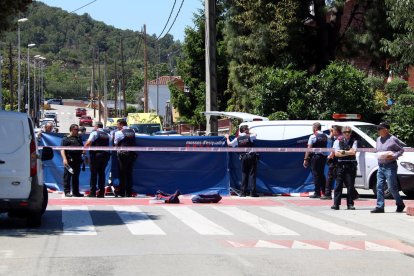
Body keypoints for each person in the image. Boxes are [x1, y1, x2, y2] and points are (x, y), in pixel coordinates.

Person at [371, 122, 405, 213]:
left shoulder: (393, 139)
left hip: (390, 166)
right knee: (379, 186)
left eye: (379, 129)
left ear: (386, 130)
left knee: (392, 187)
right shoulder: (378, 139)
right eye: (377, 129)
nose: (378, 131)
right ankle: (380, 206)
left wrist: (393, 156)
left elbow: (401, 150)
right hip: (381, 166)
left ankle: (400, 203)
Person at [225, 126, 259, 197]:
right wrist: (249, 132)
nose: (248, 130)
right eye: (247, 129)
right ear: (245, 130)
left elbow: (229, 144)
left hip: (243, 157)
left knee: (244, 174)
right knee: (252, 174)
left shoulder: (237, 138)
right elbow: (256, 134)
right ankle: (253, 193)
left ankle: (243, 193)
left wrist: (227, 138)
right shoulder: (249, 136)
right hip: (251, 156)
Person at [331, 126, 358, 210]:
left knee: (350, 186)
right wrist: (348, 152)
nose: (347, 133)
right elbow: (337, 154)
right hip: (340, 166)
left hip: (350, 167)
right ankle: (336, 204)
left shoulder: (354, 141)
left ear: (351, 132)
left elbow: (353, 152)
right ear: (342, 133)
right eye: (345, 132)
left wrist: (343, 152)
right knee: (338, 186)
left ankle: (350, 204)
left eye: (349, 132)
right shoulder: (337, 141)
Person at [84, 121, 111, 198]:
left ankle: (92, 193)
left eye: (94, 126)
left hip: (96, 155)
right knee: (101, 174)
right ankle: (101, 193)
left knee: (93, 174)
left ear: (96, 126)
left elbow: (88, 142)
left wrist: (83, 151)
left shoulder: (94, 133)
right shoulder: (107, 134)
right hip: (105, 155)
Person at [303, 122, 328, 198]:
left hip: (316, 157)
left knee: (315, 174)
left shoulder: (313, 136)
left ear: (315, 128)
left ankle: (317, 193)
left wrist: (305, 159)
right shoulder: (325, 136)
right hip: (323, 157)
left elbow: (309, 149)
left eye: (312, 127)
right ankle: (324, 192)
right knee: (321, 174)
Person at [114, 118, 137, 197]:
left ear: (121, 124)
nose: (117, 126)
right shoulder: (132, 131)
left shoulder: (119, 133)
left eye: (117, 124)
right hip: (132, 154)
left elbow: (116, 143)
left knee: (122, 174)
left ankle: (122, 192)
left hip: (123, 155)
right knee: (129, 174)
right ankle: (129, 193)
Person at [61, 124, 84, 197]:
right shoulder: (66, 138)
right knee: (67, 177)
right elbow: (62, 149)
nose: (78, 131)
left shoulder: (79, 138)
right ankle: (67, 192)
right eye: (76, 130)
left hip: (77, 160)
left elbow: (82, 148)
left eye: (78, 130)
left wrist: (84, 156)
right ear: (71, 130)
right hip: (69, 160)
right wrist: (64, 159)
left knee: (76, 177)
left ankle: (76, 192)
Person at [321, 125, 342, 200]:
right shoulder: (338, 137)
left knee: (330, 176)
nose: (332, 132)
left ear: (336, 131)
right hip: (338, 159)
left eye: (333, 131)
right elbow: (330, 138)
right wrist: (331, 133)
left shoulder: (338, 139)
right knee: (339, 177)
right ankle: (353, 193)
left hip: (335, 159)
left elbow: (333, 150)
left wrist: (329, 157)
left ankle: (327, 194)